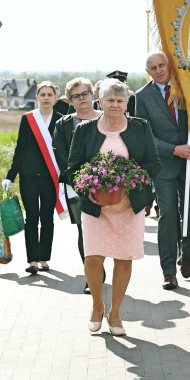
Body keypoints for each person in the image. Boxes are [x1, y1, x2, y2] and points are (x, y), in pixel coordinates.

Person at [66, 78, 160, 335]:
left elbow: (154, 163)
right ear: (101, 102)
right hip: (96, 206)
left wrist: (131, 177)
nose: (115, 104)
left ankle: (115, 312)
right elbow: (72, 169)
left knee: (123, 257)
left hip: (130, 206)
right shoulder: (84, 130)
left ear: (127, 102)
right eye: (110, 100)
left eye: (120, 100)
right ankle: (97, 305)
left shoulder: (140, 127)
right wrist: (89, 187)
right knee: (93, 257)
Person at [135, 51, 190, 290]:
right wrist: (173, 150)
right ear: (148, 72)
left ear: (169, 65)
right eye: (153, 68)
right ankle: (168, 271)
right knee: (167, 215)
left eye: (161, 65)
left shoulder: (187, 87)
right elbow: (144, 136)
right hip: (165, 164)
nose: (158, 70)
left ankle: (187, 252)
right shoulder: (142, 97)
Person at [3, 81, 65, 274]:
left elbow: (64, 151)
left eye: (50, 94)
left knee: (47, 218)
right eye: (43, 94)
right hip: (28, 175)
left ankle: (44, 258)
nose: (46, 98)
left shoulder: (62, 120)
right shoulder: (28, 119)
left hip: (50, 177)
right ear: (36, 97)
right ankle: (32, 261)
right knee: (31, 218)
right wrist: (10, 176)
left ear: (56, 97)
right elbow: (20, 148)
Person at [52, 77, 102, 294]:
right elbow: (61, 155)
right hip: (77, 186)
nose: (81, 98)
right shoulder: (63, 124)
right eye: (76, 96)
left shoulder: (108, 118)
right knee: (85, 231)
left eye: (85, 94)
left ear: (93, 95)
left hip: (110, 185)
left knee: (107, 230)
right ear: (70, 101)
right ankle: (92, 277)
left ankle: (101, 269)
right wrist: (82, 181)